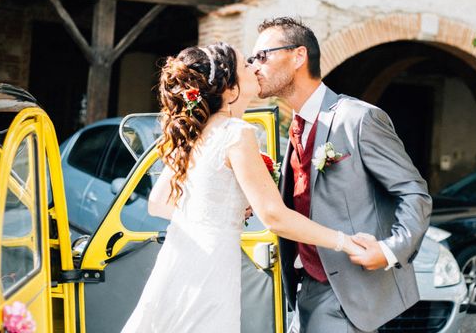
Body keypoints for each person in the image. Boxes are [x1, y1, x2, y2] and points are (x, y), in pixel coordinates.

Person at [121, 42, 364, 333]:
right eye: (245, 65)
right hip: (211, 267)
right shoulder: (235, 133)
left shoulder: (194, 132)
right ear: (230, 87)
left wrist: (221, 207)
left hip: (180, 257)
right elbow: (274, 217)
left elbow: (158, 203)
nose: (254, 67)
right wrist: (345, 241)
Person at [251, 17, 432, 333]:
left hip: (348, 290)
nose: (255, 66)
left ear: (298, 56)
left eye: (263, 55)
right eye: (253, 59)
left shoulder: (358, 119)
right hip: (302, 287)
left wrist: (389, 249)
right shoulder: (291, 130)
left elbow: (413, 191)